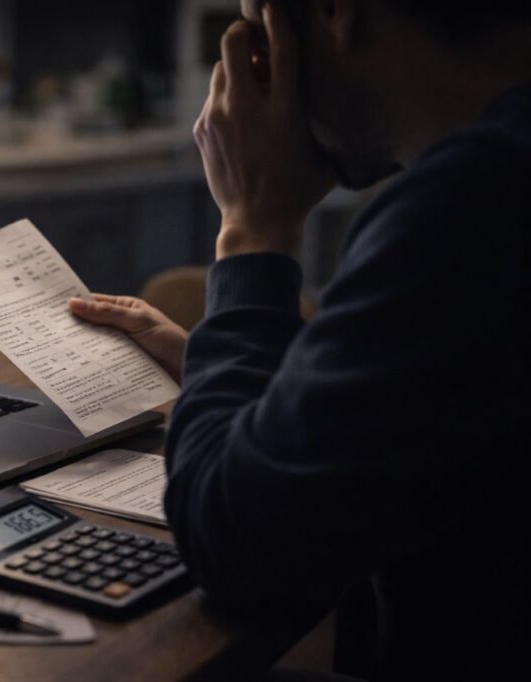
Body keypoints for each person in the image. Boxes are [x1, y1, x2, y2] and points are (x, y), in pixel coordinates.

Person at [69, 1, 531, 680]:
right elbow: (421, 411)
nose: (250, 54)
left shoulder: (473, 201)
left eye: (259, 17)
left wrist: (253, 229)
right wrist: (222, 359)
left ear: (336, 14)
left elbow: (236, 544)